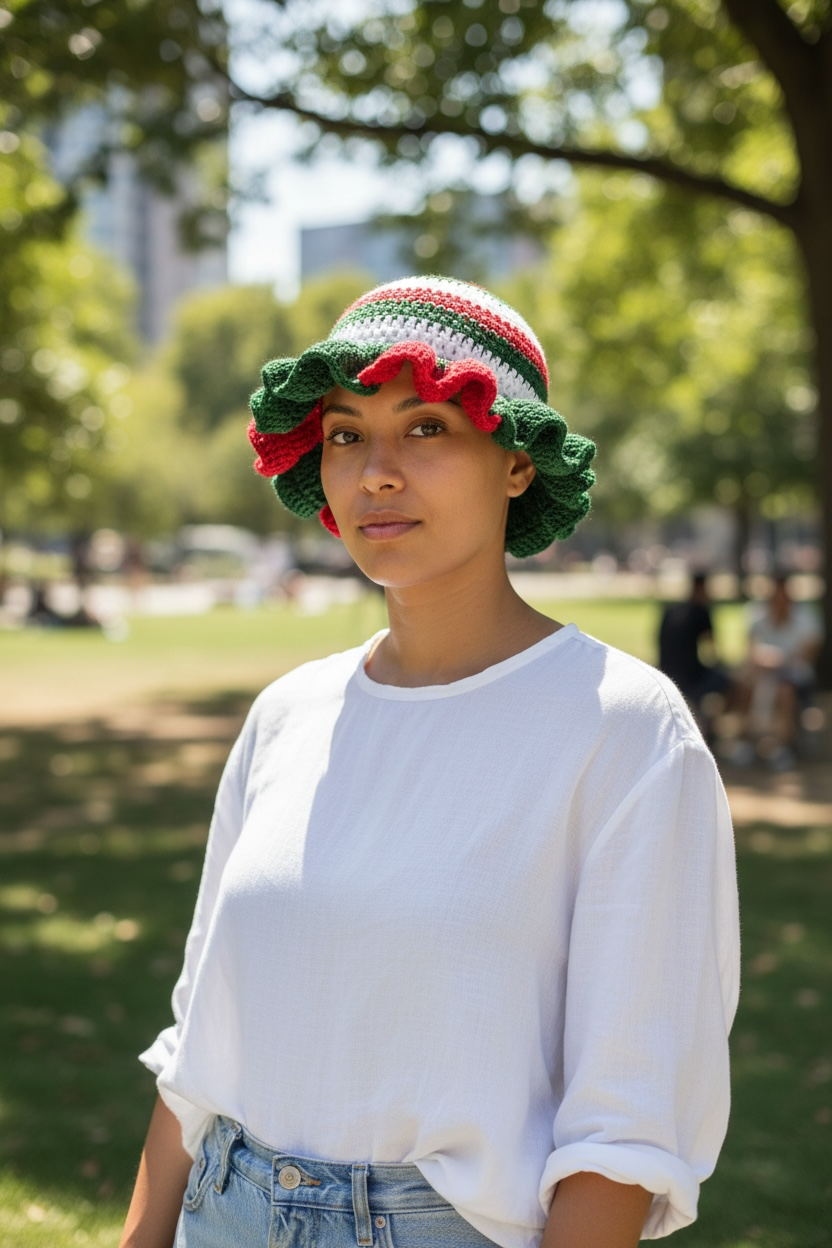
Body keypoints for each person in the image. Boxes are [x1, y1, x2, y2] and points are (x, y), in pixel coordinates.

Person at [120, 277, 739, 1248]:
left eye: (426, 429)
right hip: (222, 1211)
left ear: (516, 464)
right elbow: (201, 1042)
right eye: (344, 434)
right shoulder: (286, 716)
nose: (375, 473)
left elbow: (623, 1134)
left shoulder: (624, 731)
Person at [737, 572, 823, 770]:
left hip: (795, 675)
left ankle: (783, 745)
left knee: (785, 691)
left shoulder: (806, 617)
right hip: (763, 673)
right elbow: (752, 649)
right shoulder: (756, 614)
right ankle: (748, 739)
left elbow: (808, 653)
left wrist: (779, 660)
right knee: (745, 684)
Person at [657, 572, 731, 733]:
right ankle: (712, 727)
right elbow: (711, 650)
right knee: (728, 682)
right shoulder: (701, 611)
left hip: (666, 672)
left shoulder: (670, 611)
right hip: (691, 677)